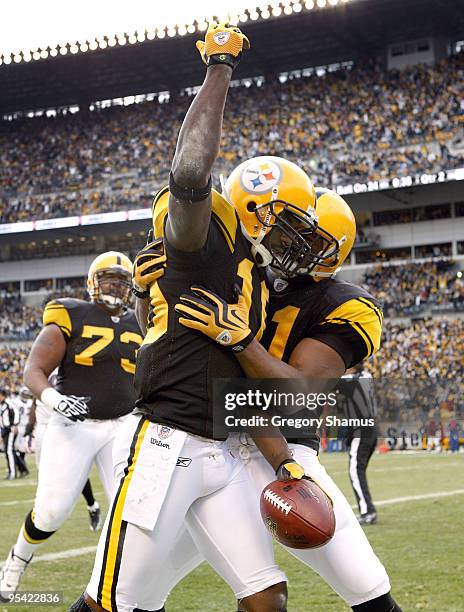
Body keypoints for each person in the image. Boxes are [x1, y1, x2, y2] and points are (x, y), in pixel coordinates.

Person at [73, 23, 302, 612]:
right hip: (163, 446)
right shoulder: (206, 245)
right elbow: (190, 175)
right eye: (283, 220)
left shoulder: (251, 273)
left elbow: (252, 383)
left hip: (221, 450)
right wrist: (221, 66)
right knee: (108, 602)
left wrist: (285, 460)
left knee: (266, 597)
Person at [172, 183, 402, 611]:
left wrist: (240, 340)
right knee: (129, 589)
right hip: (207, 443)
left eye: (311, 241)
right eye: (293, 231)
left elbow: (299, 394)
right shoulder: (241, 271)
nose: (295, 245)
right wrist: (152, 287)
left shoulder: (343, 303)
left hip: (286, 446)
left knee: (364, 583)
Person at [0, 251, 143, 600]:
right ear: (93, 282)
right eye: (109, 278)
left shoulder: (140, 322)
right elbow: (33, 370)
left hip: (122, 427)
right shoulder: (70, 312)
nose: (115, 286)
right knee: (50, 513)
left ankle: (121, 588)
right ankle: (16, 561)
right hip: (72, 426)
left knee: (134, 511)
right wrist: (55, 399)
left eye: (122, 281)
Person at [26, 372, 102, 531]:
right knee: (45, 474)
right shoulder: (42, 370)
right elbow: (35, 401)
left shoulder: (69, 367)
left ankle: (92, 506)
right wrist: (30, 425)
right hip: (42, 427)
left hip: (65, 425)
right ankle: (43, 512)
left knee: (74, 470)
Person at [338, 362, 379, 524]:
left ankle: (368, 511)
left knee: (355, 471)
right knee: (359, 471)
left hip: (361, 431)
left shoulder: (349, 380)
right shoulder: (366, 376)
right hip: (370, 429)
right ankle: (367, 509)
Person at [0, 388, 28, 479]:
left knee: (9, 451)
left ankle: (12, 473)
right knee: (10, 451)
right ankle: (23, 469)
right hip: (5, 430)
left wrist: (15, 425)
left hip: (10, 429)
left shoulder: (9, 402)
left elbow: (16, 413)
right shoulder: (2, 404)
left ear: (2, 395)